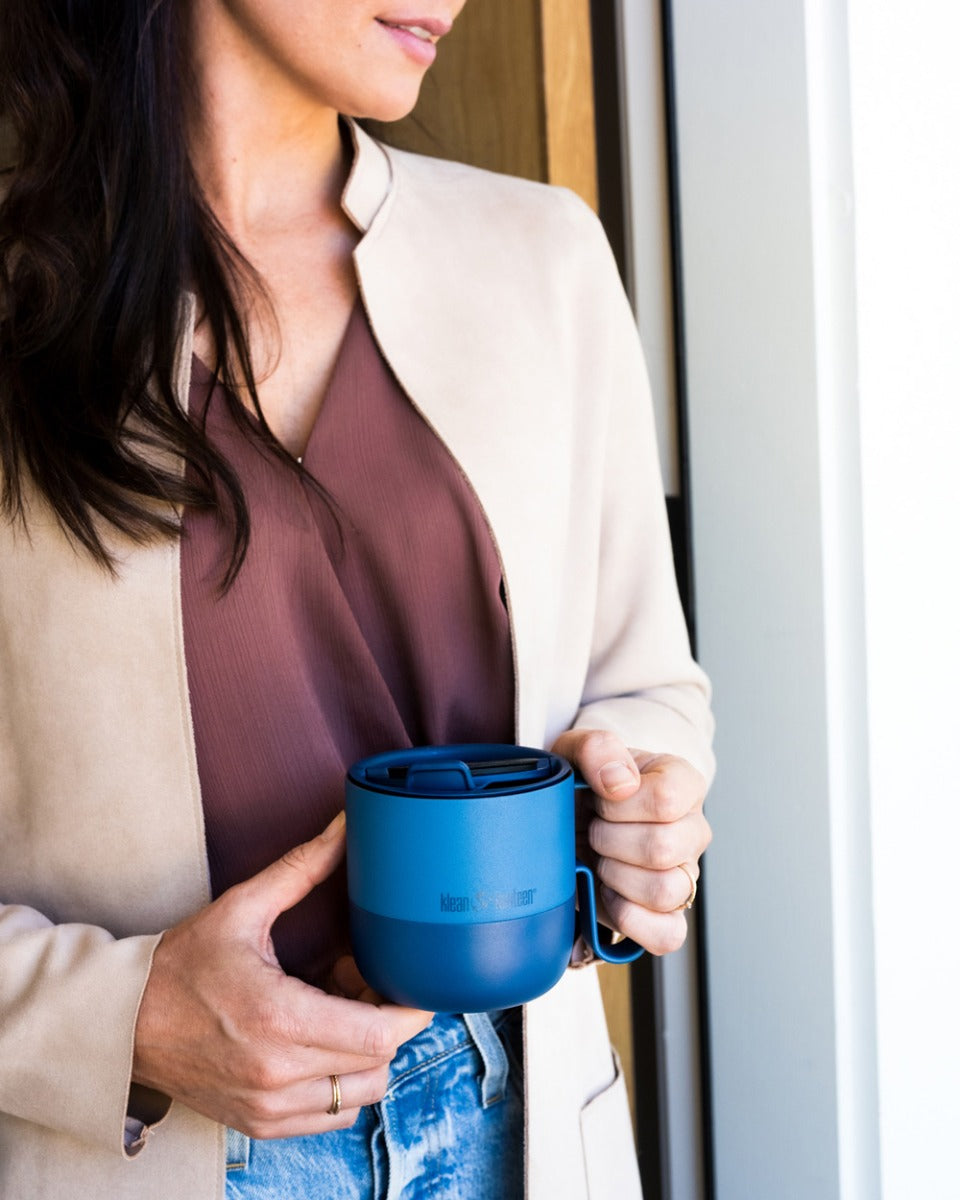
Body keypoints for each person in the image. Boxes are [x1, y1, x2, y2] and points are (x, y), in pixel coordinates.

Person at [0, 2, 715, 1198]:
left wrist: (641, 811)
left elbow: (646, 688)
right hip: (151, 1149)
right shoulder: (25, 310)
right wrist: (124, 1021)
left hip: (517, 1121)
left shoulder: (544, 256)